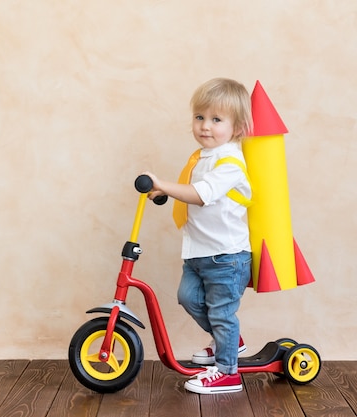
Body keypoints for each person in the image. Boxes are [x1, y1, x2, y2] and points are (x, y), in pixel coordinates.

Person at [144, 78, 253, 394]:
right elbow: (189, 191)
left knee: (221, 313)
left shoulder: (230, 162)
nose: (206, 126)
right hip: (199, 252)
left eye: (217, 120)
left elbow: (201, 194)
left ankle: (228, 372)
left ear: (237, 128)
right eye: (200, 117)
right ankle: (230, 342)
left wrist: (164, 185)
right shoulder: (203, 157)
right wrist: (164, 191)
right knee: (188, 298)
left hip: (226, 255)